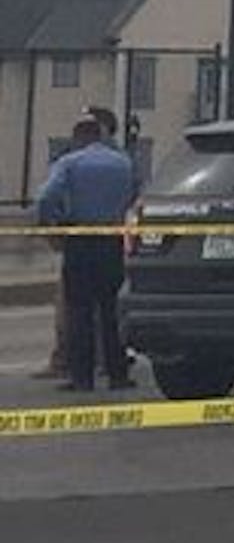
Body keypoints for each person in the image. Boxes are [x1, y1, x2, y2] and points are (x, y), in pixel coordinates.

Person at [35, 116, 136, 392]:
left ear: (78, 137)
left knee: (79, 311)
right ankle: (118, 373)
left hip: (80, 240)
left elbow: (46, 198)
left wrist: (50, 226)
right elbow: (135, 195)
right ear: (100, 136)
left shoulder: (70, 163)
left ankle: (82, 377)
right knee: (110, 309)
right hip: (111, 240)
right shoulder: (123, 163)